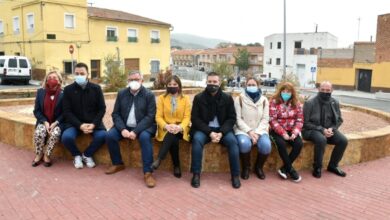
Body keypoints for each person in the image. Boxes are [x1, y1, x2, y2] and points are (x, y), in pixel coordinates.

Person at [105, 71, 157, 188]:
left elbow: (150, 116)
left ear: (142, 81)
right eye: (131, 79)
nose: (134, 82)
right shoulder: (122, 93)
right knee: (109, 136)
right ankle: (118, 163)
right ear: (127, 81)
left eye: (137, 79)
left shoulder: (149, 95)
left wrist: (136, 131)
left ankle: (148, 172)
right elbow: (115, 114)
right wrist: (122, 129)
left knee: (144, 137)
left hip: (144, 127)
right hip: (125, 126)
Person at [190, 72, 241, 189]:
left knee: (233, 142)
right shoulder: (199, 98)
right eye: (210, 82)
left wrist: (221, 132)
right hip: (205, 130)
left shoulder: (227, 98)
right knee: (197, 140)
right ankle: (196, 174)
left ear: (219, 83)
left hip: (222, 130)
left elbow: (231, 118)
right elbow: (195, 118)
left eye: (214, 82)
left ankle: (235, 175)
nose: (212, 84)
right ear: (206, 82)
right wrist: (210, 132)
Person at [61, 62, 106, 169]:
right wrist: (80, 125)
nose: (79, 76)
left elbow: (102, 109)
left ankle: (87, 155)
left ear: (87, 74)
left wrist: (94, 124)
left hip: (93, 123)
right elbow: (67, 111)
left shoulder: (96, 89)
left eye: (82, 73)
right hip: (74, 124)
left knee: (103, 136)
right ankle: (76, 155)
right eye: (77, 73)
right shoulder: (68, 90)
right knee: (66, 137)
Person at [302, 81, 348, 178]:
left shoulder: (334, 102)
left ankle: (333, 165)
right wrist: (322, 130)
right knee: (321, 139)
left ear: (332, 90)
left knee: (343, 141)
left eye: (328, 90)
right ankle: (317, 167)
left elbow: (339, 119)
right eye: (322, 90)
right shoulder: (310, 103)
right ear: (318, 89)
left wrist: (332, 128)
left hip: (329, 130)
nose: (325, 92)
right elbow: (306, 123)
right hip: (311, 130)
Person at [151, 75, 191, 178]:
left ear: (179, 86)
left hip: (181, 129)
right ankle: (176, 166)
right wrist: (166, 126)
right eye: (169, 84)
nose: (172, 86)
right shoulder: (161, 98)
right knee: (172, 136)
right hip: (166, 128)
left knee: (173, 134)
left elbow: (187, 117)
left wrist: (180, 127)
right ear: (166, 86)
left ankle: (159, 159)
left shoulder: (185, 99)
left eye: (174, 84)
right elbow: (158, 117)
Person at [233, 77, 271, 180]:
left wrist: (257, 133)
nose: (251, 87)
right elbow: (238, 119)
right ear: (245, 86)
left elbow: (265, 119)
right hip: (243, 130)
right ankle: (246, 167)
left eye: (253, 85)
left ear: (258, 86)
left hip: (260, 130)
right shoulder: (239, 99)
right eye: (249, 85)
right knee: (244, 144)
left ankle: (258, 167)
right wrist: (249, 132)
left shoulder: (264, 100)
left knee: (266, 145)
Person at [269, 82, 303, 183]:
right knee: (281, 144)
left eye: (288, 92)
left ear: (292, 93)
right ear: (280, 91)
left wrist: (294, 133)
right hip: (277, 130)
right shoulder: (274, 102)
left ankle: (284, 168)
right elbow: (272, 120)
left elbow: (300, 120)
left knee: (299, 144)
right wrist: (283, 133)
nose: (285, 93)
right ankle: (291, 170)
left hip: (292, 130)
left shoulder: (297, 104)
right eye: (283, 91)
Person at [32, 70, 64, 167]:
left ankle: (47, 155)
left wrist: (55, 123)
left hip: (58, 122)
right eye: (49, 78)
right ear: (46, 80)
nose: (52, 80)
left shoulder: (64, 93)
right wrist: (45, 122)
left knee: (55, 133)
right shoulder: (40, 92)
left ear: (59, 81)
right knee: (39, 132)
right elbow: (36, 111)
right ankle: (39, 154)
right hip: (44, 121)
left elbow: (66, 112)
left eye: (55, 78)